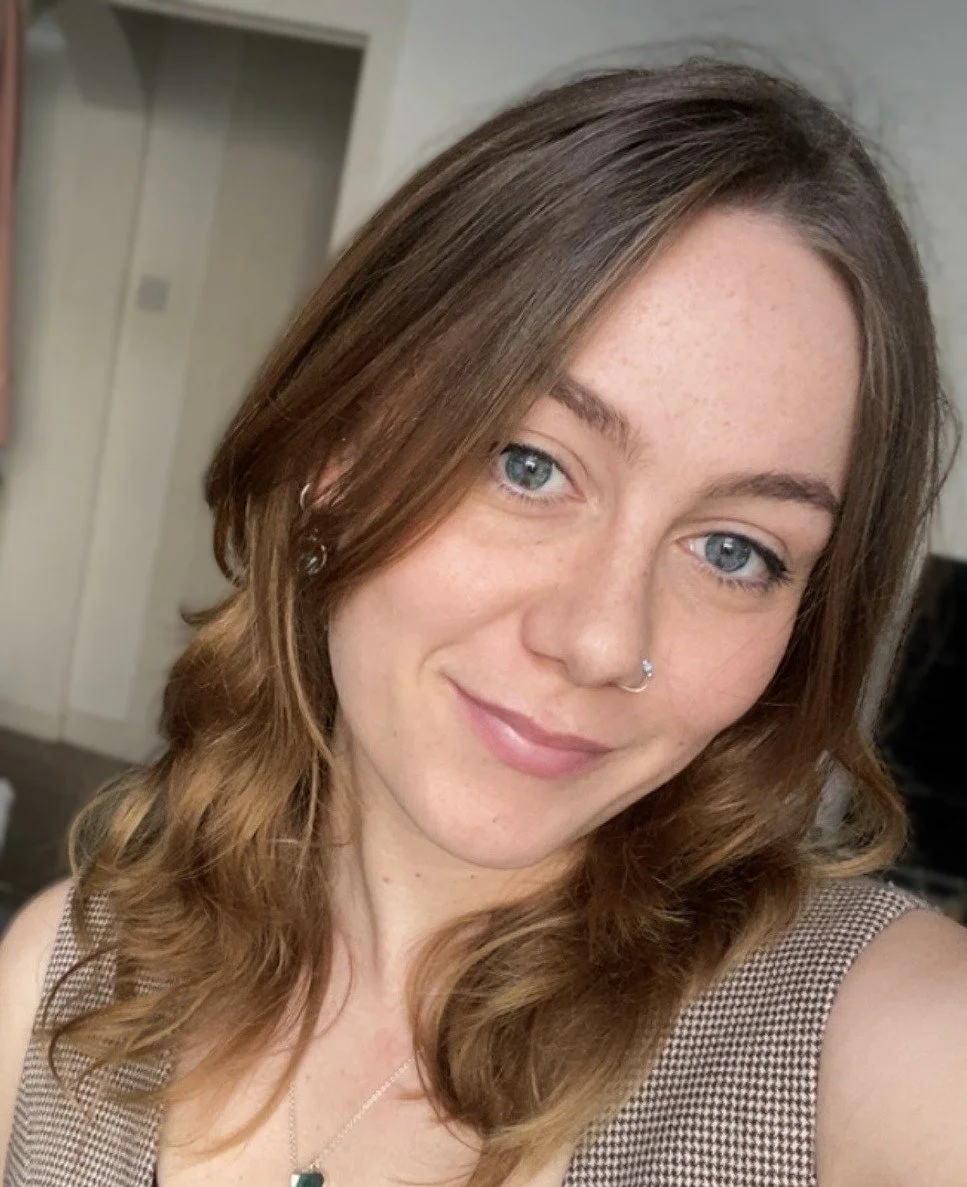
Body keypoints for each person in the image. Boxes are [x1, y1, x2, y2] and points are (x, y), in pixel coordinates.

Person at [0, 54, 965, 1187]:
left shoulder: (877, 1052)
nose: (599, 640)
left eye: (734, 550)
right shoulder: (62, 978)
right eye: (527, 463)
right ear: (330, 454)